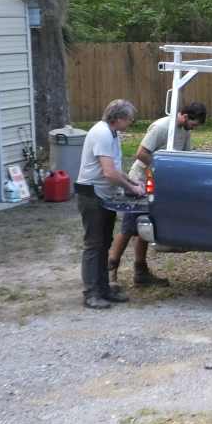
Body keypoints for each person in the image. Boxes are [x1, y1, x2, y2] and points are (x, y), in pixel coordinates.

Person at [107, 102, 207, 286]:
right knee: (129, 228)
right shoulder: (161, 127)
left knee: (145, 227)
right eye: (193, 123)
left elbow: (184, 157)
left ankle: (140, 272)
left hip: (158, 184)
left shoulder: (184, 131)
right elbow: (141, 153)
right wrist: (162, 168)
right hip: (139, 182)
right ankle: (110, 272)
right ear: (184, 115)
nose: (194, 127)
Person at [76, 99, 145, 309]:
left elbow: (115, 168)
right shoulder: (102, 133)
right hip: (92, 194)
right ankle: (91, 293)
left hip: (103, 194)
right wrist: (132, 189)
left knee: (104, 242)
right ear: (118, 118)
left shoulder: (112, 134)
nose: (130, 124)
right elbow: (108, 172)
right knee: (94, 244)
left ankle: (103, 289)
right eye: (129, 120)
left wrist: (133, 182)